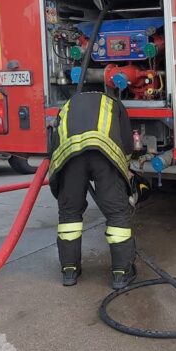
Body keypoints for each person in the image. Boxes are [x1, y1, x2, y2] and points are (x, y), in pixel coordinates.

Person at [49, 91, 137, 289]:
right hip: (104, 155)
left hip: (69, 156)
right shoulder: (114, 103)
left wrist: (61, 185)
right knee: (116, 213)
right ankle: (121, 273)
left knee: (69, 213)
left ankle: (69, 271)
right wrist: (126, 171)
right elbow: (127, 143)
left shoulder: (69, 102)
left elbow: (53, 142)